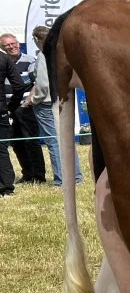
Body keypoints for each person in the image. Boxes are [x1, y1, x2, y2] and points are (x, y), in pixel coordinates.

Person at [24, 25, 83, 186]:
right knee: (66, 141)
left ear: (37, 39)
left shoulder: (44, 54)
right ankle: (76, 177)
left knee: (54, 142)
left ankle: (62, 179)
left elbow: (43, 85)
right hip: (62, 100)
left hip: (46, 104)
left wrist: (33, 100)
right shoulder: (61, 52)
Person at [1, 34, 44, 185]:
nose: (12, 47)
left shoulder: (30, 60)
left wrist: (26, 102)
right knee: (16, 143)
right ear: (2, 48)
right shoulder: (3, 62)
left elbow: (35, 81)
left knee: (31, 141)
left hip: (25, 107)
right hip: (8, 107)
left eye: (13, 43)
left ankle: (39, 175)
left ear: (18, 44)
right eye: (7, 45)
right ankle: (27, 174)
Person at [0, 43, 30, 197]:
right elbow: (19, 86)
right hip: (1, 111)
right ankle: (6, 188)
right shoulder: (4, 58)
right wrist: (10, 106)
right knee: (1, 150)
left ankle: (6, 187)